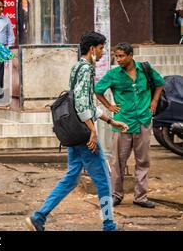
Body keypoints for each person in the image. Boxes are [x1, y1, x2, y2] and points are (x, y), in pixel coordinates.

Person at [26, 32, 129, 232]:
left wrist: (110, 121)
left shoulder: (76, 67)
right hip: (83, 135)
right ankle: (109, 226)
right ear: (92, 49)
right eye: (100, 48)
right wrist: (93, 131)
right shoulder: (87, 69)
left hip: (74, 133)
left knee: (71, 178)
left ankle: (39, 217)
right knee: (104, 182)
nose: (102, 53)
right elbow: (82, 104)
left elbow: (84, 101)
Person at [95, 42, 165, 208]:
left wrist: (154, 102)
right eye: (116, 56)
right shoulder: (113, 74)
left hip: (143, 120)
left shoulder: (145, 69)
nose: (118, 59)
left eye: (121, 56)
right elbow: (98, 90)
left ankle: (140, 197)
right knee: (118, 162)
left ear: (130, 55)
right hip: (122, 123)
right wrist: (109, 106)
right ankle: (116, 195)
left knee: (143, 161)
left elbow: (160, 83)